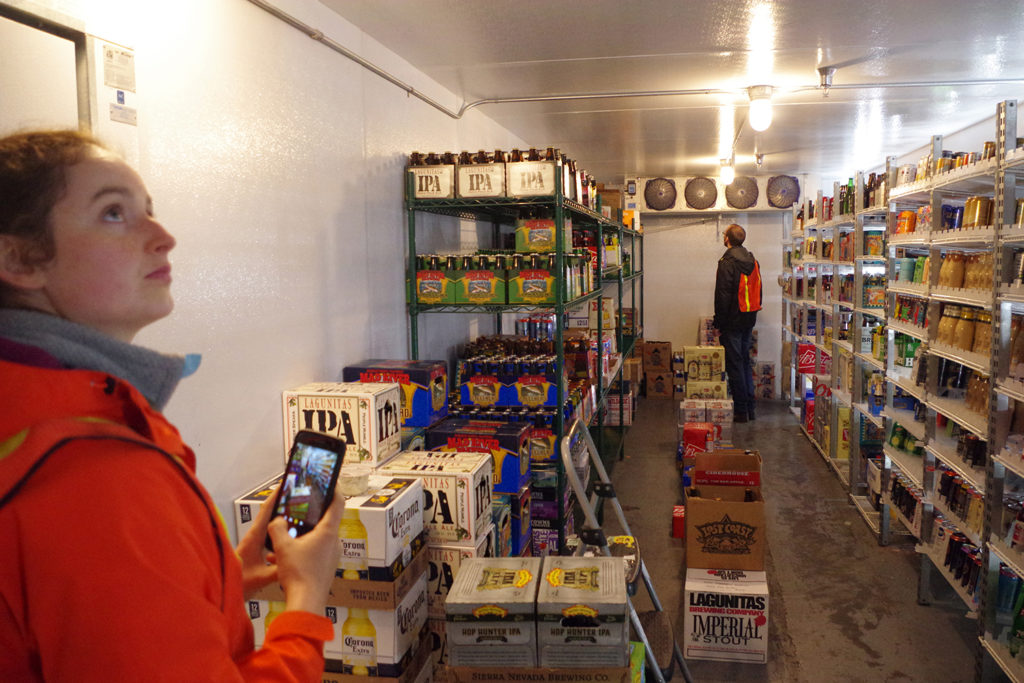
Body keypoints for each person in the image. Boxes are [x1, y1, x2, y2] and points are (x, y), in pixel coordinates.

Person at [0, 129, 344, 681]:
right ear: (19, 260)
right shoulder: (96, 473)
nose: (163, 236)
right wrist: (306, 597)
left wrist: (217, 576)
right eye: (114, 213)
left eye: (150, 211)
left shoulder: (35, 412)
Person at [713, 223, 762, 423]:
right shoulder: (753, 260)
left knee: (734, 365)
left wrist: (719, 323)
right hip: (748, 318)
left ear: (728, 239)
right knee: (744, 362)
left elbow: (722, 295)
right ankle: (750, 408)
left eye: (725, 233)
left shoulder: (727, 261)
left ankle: (741, 411)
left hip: (732, 321)